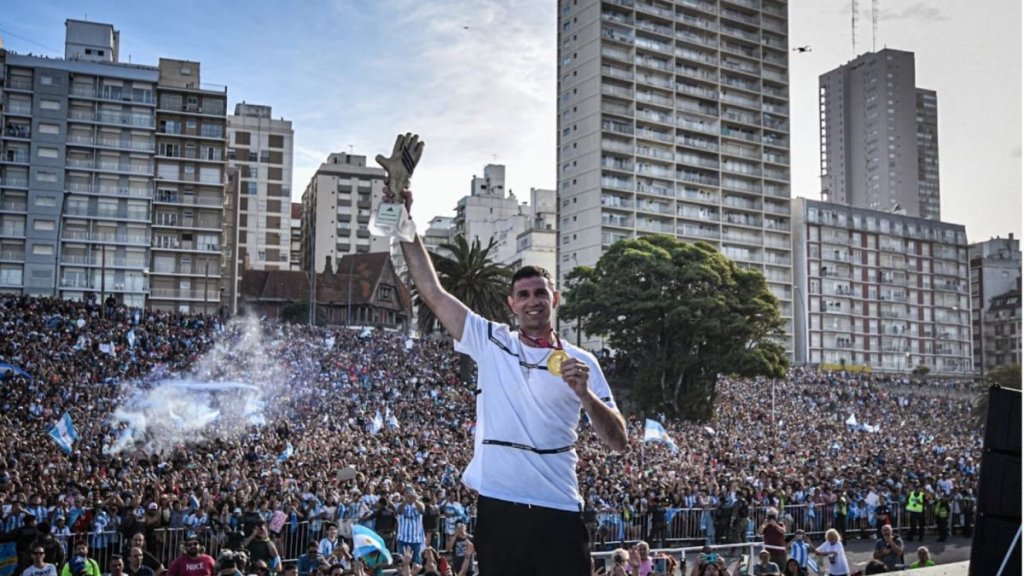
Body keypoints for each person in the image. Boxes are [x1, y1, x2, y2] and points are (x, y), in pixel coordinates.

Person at [388, 131, 627, 576]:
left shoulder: (584, 362)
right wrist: (404, 217)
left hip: (559, 508)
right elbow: (432, 291)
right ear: (510, 304)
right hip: (499, 508)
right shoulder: (490, 339)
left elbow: (618, 443)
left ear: (554, 301)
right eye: (524, 294)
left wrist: (585, 395)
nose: (534, 300)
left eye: (541, 293)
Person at [395, 487, 426, 564]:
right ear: (404, 495)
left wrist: (415, 500)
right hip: (403, 539)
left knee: (416, 563)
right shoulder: (399, 504)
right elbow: (399, 511)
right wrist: (406, 501)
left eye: (411, 493)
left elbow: (422, 510)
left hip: (416, 539)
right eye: (407, 493)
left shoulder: (420, 504)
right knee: (402, 563)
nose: (409, 495)